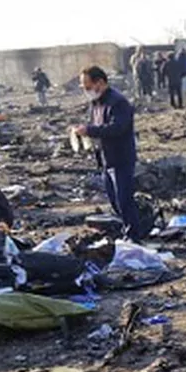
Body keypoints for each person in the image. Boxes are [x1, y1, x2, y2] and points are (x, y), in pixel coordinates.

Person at [72, 66, 145, 241]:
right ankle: (128, 229)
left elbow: (117, 128)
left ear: (101, 83)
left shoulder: (118, 102)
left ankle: (134, 236)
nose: (86, 90)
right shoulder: (96, 103)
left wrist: (89, 130)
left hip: (121, 157)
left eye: (88, 86)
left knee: (124, 199)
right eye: (84, 87)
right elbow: (97, 126)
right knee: (115, 201)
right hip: (106, 159)